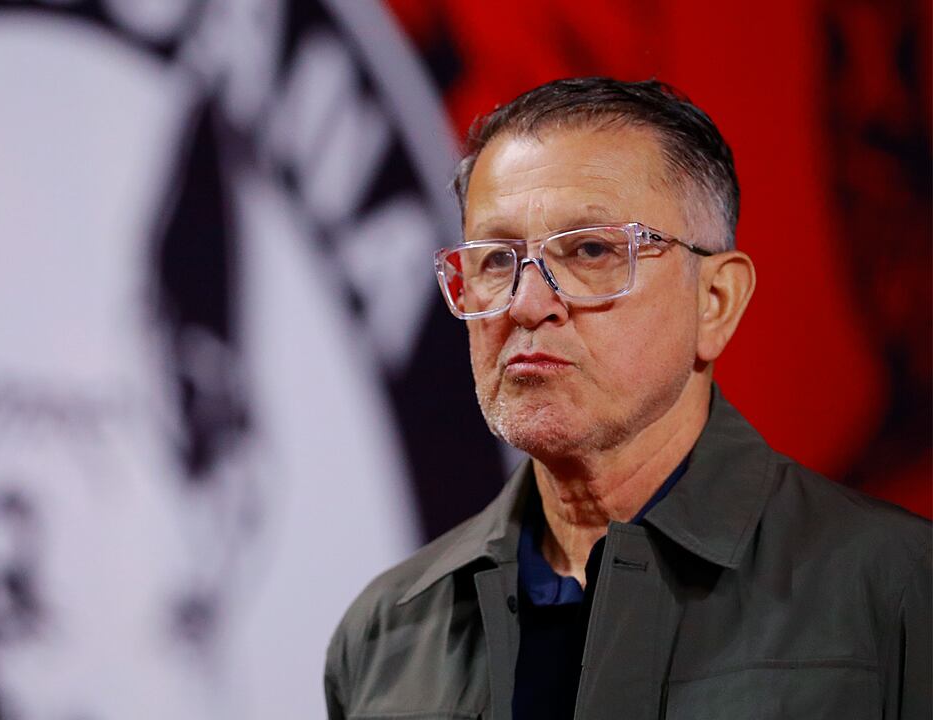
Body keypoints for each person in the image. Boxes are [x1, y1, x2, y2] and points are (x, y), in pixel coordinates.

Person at [323, 77, 931, 720]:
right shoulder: (388, 635)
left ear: (715, 301)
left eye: (591, 249)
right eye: (497, 261)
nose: (527, 303)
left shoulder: (898, 590)